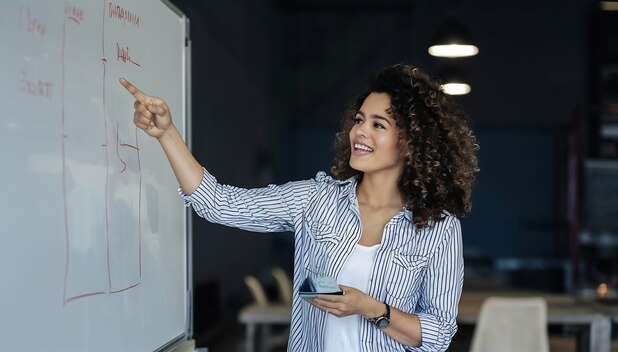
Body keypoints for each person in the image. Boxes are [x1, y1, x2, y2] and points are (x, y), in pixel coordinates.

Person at [120, 63, 479, 351]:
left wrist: (371, 308)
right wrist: (167, 134)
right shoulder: (313, 199)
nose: (359, 132)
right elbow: (218, 203)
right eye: (358, 120)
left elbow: (438, 334)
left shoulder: (438, 227)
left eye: (377, 124)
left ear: (410, 144)